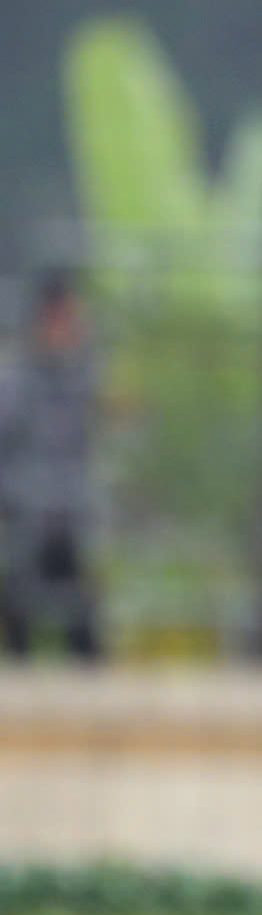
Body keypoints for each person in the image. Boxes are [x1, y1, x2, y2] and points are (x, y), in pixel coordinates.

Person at [0, 272, 106, 660]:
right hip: (25, 510)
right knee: (20, 602)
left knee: (79, 611)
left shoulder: (78, 376)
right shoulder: (13, 379)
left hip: (66, 512)